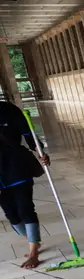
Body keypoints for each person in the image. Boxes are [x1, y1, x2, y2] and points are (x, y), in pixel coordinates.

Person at [0, 102, 49, 269]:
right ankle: (32, 240)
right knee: (12, 216)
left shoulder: (8, 110)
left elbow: (29, 134)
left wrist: (40, 151)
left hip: (17, 166)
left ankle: (34, 252)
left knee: (25, 208)